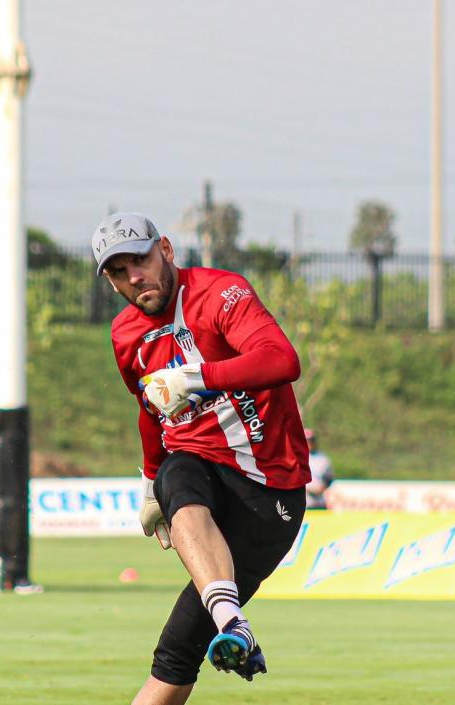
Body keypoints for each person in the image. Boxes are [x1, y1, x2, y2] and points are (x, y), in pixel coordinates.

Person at [93, 212, 310, 705]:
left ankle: (229, 619)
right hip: (198, 470)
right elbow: (151, 412)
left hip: (268, 493)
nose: (134, 277)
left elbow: (282, 359)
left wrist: (196, 377)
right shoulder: (125, 335)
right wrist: (151, 484)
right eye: (118, 271)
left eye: (140, 260)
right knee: (170, 658)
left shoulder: (221, 292)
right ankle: (234, 622)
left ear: (165, 249)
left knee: (180, 650)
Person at [304, 428, 334, 510]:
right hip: (303, 502)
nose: (309, 443)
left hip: (319, 502)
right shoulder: (297, 458)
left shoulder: (322, 458)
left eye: (311, 440)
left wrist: (321, 488)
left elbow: (328, 479)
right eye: (306, 440)